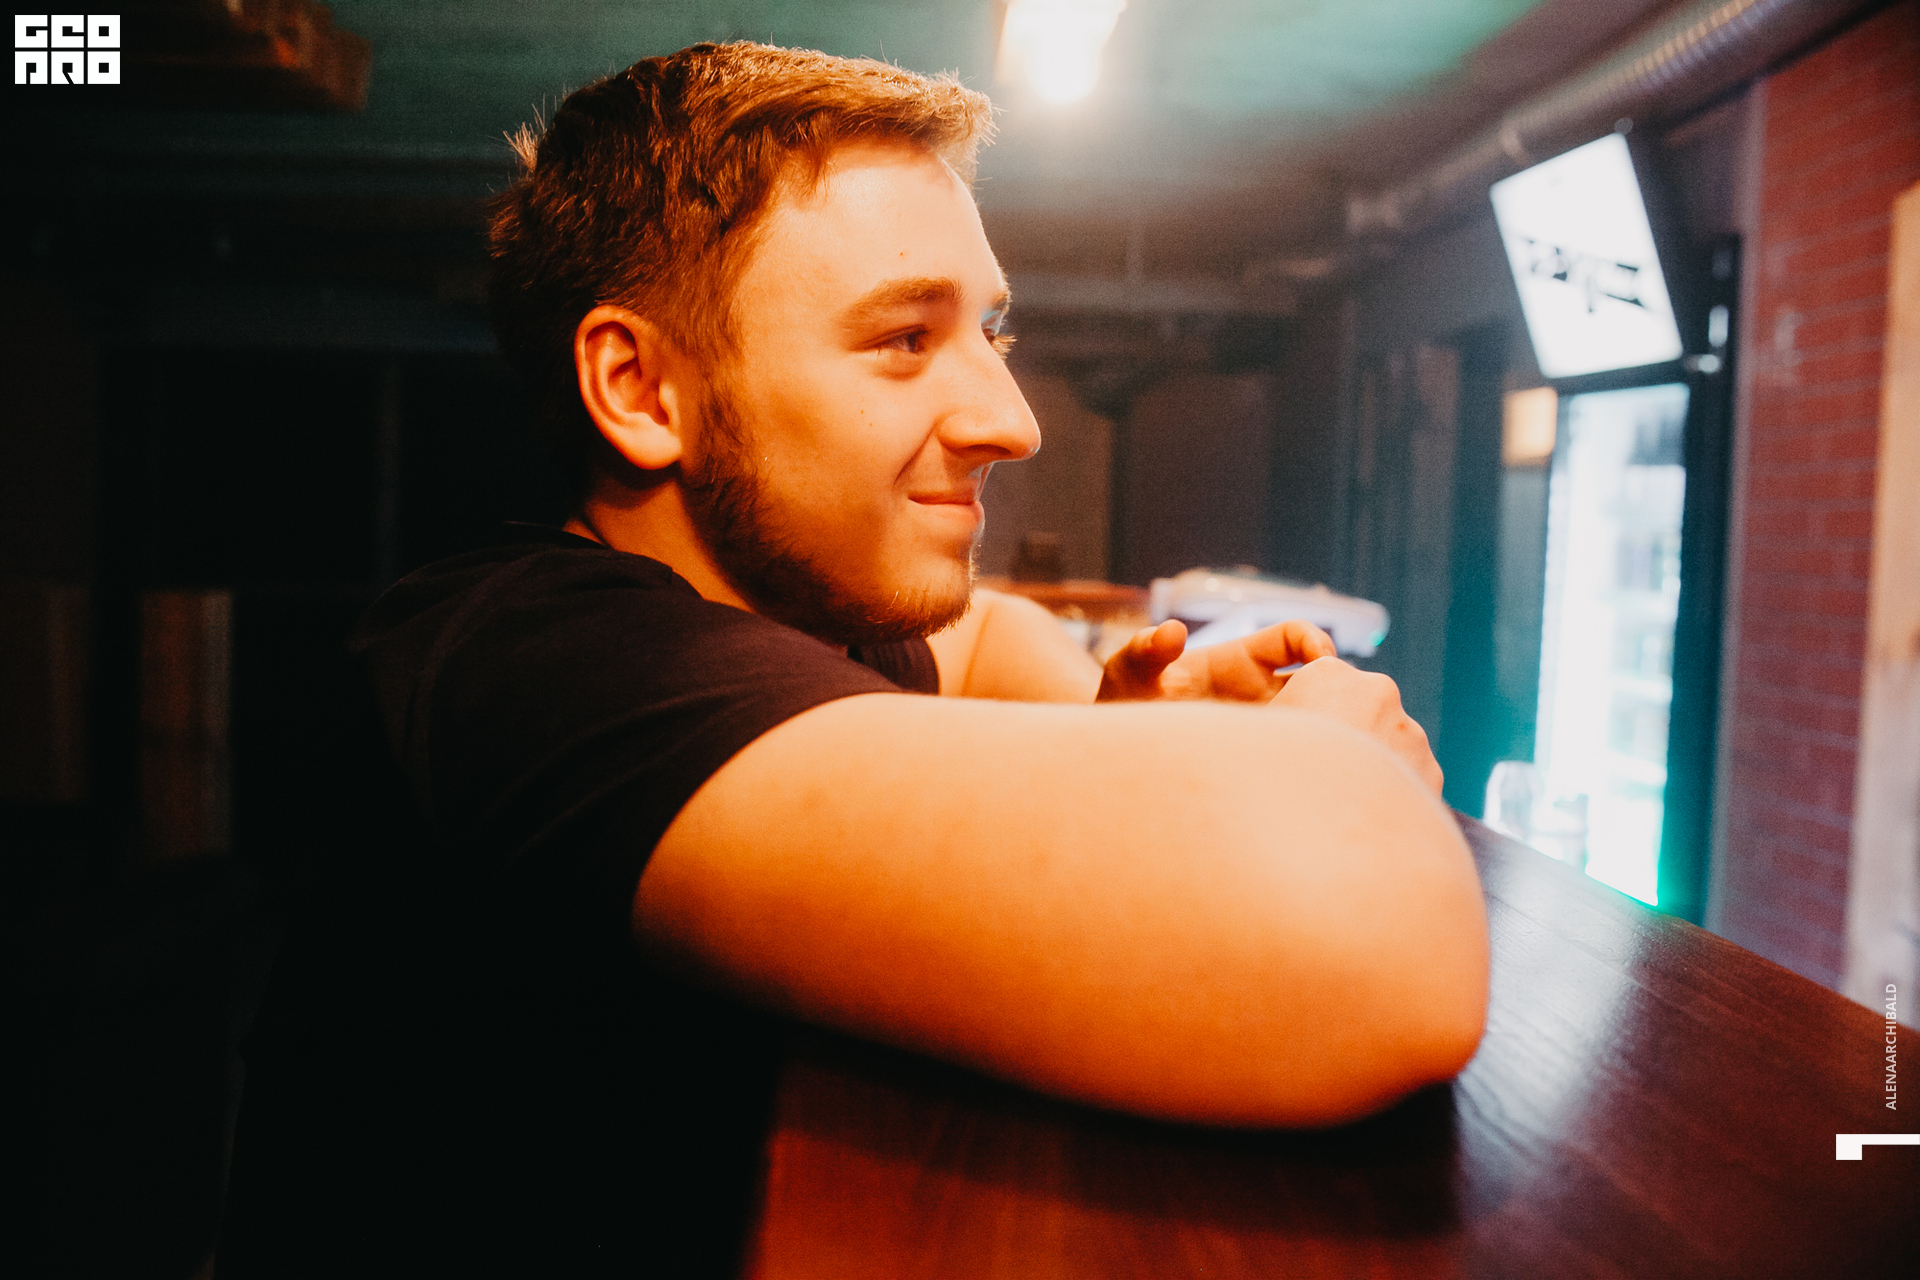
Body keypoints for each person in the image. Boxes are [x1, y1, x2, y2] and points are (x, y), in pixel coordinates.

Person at [217, 41, 1488, 1278]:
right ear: (641, 389)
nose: (1011, 419)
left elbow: (983, 634)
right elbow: (1374, 934)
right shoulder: (538, 661)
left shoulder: (814, 611)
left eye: (989, 331)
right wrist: (1316, 761)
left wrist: (1142, 728)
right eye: (902, 339)